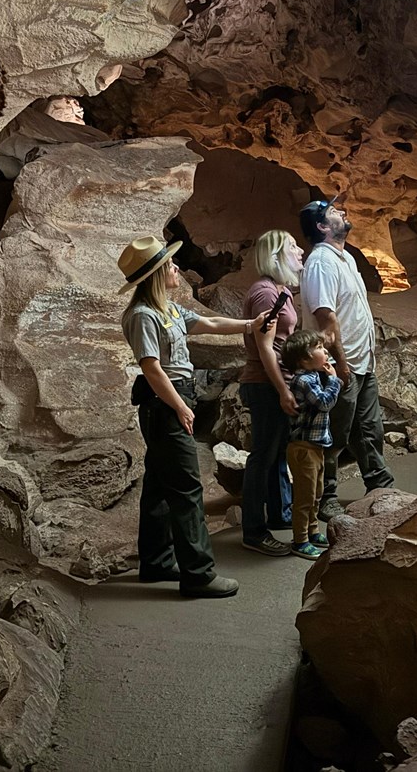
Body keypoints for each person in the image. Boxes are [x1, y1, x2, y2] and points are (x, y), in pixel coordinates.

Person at [118, 236, 268, 599]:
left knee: (159, 487)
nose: (175, 269)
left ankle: (155, 561)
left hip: (172, 401)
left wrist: (250, 325)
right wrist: (181, 407)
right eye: (169, 265)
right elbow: (152, 368)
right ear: (156, 274)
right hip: (165, 404)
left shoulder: (168, 309)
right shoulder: (143, 315)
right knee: (186, 489)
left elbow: (208, 324)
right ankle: (198, 574)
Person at [298, 198, 396, 520]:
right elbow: (327, 318)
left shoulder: (346, 258)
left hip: (360, 361)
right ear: (322, 227)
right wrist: (340, 365)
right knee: (333, 435)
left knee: (369, 429)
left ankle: (380, 485)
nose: (342, 213)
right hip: (340, 366)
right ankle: (323, 497)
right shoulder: (321, 263)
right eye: (333, 213)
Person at [239, 230, 306, 556]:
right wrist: (282, 389)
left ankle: (281, 514)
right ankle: (253, 530)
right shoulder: (266, 294)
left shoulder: (281, 291)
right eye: (293, 246)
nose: (300, 250)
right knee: (263, 456)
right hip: (266, 383)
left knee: (277, 452)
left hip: (279, 380)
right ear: (277, 254)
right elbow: (265, 348)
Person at [281, 329, 341, 559]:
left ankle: (313, 530)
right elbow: (324, 403)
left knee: (317, 492)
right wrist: (334, 380)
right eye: (319, 349)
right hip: (303, 448)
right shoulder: (304, 380)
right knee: (305, 497)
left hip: (316, 447)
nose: (326, 351)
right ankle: (300, 540)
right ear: (304, 360)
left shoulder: (314, 375)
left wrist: (328, 372)